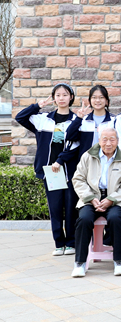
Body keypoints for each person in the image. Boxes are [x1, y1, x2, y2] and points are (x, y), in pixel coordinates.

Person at [16, 83, 80, 256]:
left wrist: (61, 160)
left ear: (71, 97)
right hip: (51, 172)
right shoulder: (43, 119)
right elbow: (20, 117)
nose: (61, 98)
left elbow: (76, 146)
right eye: (58, 95)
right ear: (54, 98)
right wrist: (37, 106)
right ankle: (59, 243)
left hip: (70, 170)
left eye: (65, 94)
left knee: (71, 207)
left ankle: (71, 243)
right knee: (55, 207)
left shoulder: (76, 119)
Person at [70, 128, 121, 277]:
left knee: (116, 218)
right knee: (84, 219)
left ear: (117, 141)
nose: (108, 143)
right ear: (99, 141)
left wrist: (111, 199)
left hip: (116, 199)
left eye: (112, 139)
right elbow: (78, 179)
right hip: (91, 198)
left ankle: (119, 261)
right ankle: (79, 263)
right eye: (104, 139)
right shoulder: (88, 156)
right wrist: (90, 198)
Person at [66, 84, 117, 159]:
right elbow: (69, 136)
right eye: (94, 97)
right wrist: (78, 119)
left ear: (106, 100)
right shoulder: (83, 120)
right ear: (90, 100)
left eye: (101, 97)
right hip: (87, 162)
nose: (97, 100)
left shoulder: (114, 120)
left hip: (108, 161)